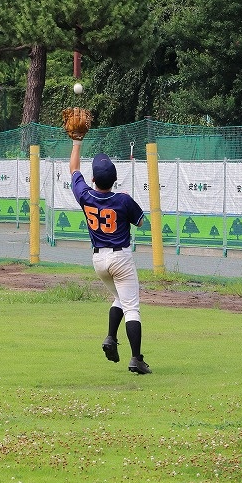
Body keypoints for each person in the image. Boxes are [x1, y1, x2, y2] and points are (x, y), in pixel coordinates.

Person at [69, 142, 151, 374]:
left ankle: (111, 338)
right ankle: (136, 359)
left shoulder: (85, 195)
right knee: (132, 308)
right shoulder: (122, 200)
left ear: (93, 179)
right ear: (115, 180)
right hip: (120, 258)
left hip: (99, 260)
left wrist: (76, 143)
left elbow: (74, 169)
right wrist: (126, 203)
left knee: (120, 298)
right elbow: (142, 222)